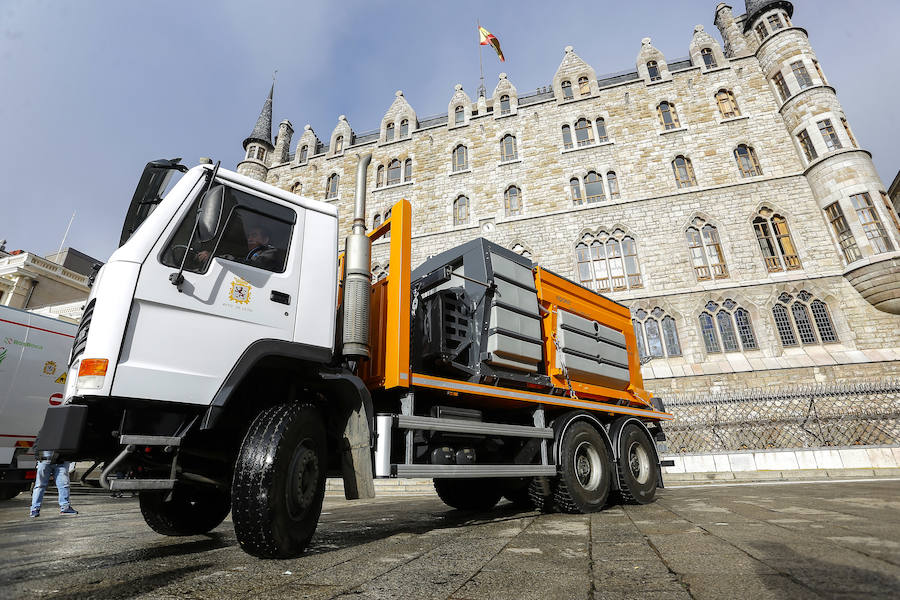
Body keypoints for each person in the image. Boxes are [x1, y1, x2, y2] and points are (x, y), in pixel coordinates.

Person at [30, 452, 77, 518]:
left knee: (40, 485)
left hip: (50, 458)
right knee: (63, 485)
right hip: (58, 458)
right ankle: (65, 507)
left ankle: (35, 509)